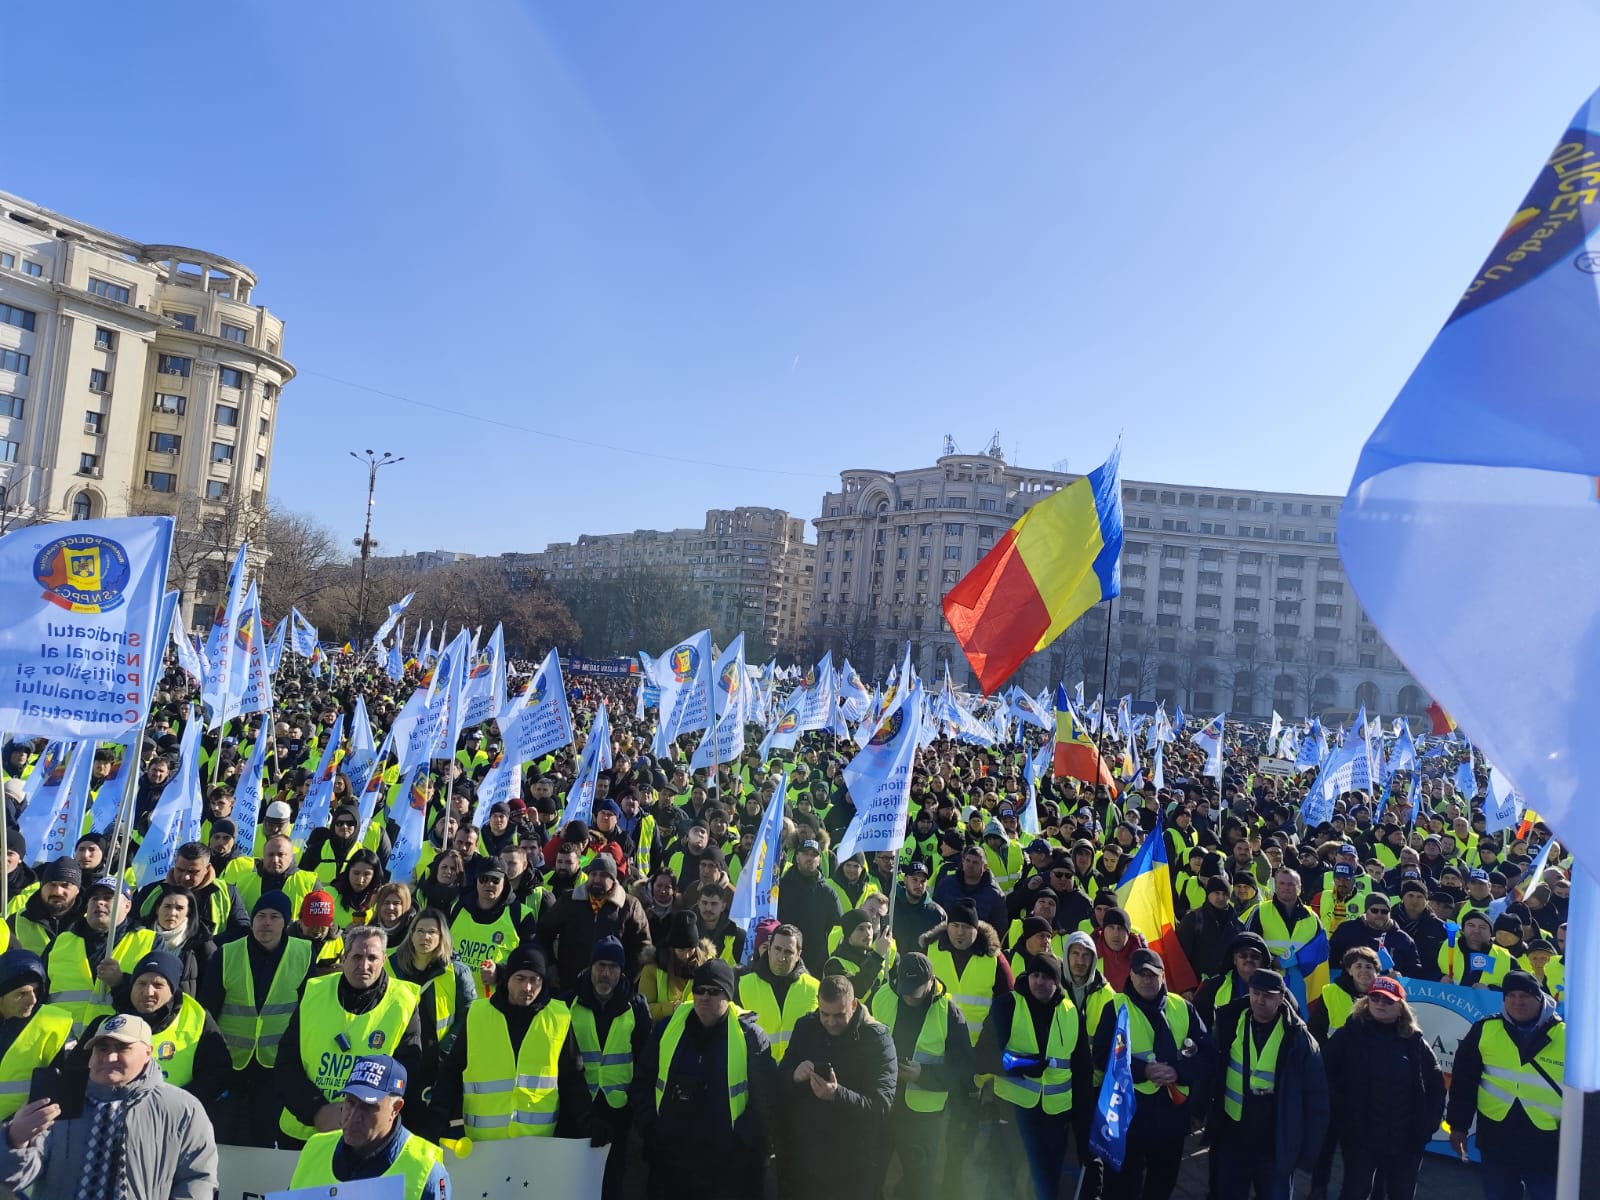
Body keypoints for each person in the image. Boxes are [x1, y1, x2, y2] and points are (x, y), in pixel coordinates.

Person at [0, 1012, 217, 1199]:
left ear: (148, 1053)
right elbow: (14, 1179)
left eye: (122, 1048)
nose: (110, 1057)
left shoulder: (181, 1108)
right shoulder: (58, 1098)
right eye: (101, 1048)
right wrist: (16, 1140)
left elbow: (198, 1178)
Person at [632, 959, 776, 1200]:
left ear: (728, 996)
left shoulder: (750, 1037)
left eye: (713, 991)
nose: (704, 997)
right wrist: (650, 1127)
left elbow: (766, 1100)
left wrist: (740, 1140)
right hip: (671, 1160)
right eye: (699, 990)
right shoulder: (667, 1030)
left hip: (725, 1165)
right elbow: (642, 1082)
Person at [275, 924, 424, 1146]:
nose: (364, 965)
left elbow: (406, 1075)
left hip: (368, 1135)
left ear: (384, 959)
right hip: (305, 1129)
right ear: (344, 958)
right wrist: (318, 1111)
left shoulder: (403, 1002)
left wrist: (359, 1114)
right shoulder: (314, 992)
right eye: (356, 957)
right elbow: (287, 1062)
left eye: (372, 958)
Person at [435, 942, 591, 1139]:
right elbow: (453, 1070)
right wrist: (439, 1113)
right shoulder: (478, 1014)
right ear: (507, 978)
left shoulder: (559, 1017)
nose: (527, 987)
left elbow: (572, 1077)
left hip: (537, 1142)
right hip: (483, 1144)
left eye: (535, 980)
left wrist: (587, 1118)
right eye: (520, 978)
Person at [1094, 949, 1216, 1200]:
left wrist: (1177, 1071)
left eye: (1153, 975)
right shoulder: (1115, 1007)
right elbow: (1100, 1056)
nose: (1147, 980)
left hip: (1171, 1115)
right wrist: (1143, 1070)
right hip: (1129, 1115)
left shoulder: (1182, 1007)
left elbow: (1208, 1055)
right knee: (1122, 1187)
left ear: (1163, 977)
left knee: (1163, 1183)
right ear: (1131, 976)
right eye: (1141, 974)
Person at [199, 891, 313, 1146]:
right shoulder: (226, 953)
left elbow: (307, 1012)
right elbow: (208, 1010)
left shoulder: (304, 953)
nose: (266, 922)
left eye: (274, 917)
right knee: (225, 1134)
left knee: (265, 1135)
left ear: (286, 922)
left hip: (275, 1064)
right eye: (260, 916)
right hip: (231, 1063)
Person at [1206, 968, 1328, 1200]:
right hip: (1234, 1133)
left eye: (1269, 995)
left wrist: (1307, 1152)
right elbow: (1212, 1071)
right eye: (1256, 993)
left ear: (1281, 998)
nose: (1260, 1000)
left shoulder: (1299, 1038)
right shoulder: (1230, 1022)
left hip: (1275, 1138)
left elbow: (1317, 1098)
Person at [1321, 977, 1444, 1200]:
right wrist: (1344, 1115)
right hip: (1361, 1137)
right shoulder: (1348, 1034)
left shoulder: (1415, 1041)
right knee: (1355, 1191)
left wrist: (1427, 1126)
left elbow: (1436, 1086)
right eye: (1375, 997)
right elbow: (1324, 1077)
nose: (1380, 1003)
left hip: (1405, 1139)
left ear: (1400, 1007)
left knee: (1401, 1194)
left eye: (1388, 1000)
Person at [1445, 970, 1564, 1200]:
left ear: (1539, 998)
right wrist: (1458, 1126)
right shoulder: (1485, 1029)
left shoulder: (1566, 1036)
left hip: (1548, 1141)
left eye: (1525, 996)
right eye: (1511, 995)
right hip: (1497, 1136)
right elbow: (1464, 1081)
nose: (1518, 1002)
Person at [780, 973, 897, 1200]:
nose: (831, 1022)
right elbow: (779, 1083)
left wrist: (837, 1095)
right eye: (824, 1014)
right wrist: (794, 1076)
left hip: (854, 1165)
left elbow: (881, 1106)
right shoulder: (806, 1028)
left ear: (853, 1005)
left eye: (839, 1015)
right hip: (807, 1161)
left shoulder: (877, 1039)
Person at [869, 950, 972, 1200]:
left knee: (920, 1184)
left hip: (922, 1118)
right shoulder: (883, 996)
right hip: (881, 1105)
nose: (909, 997)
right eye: (904, 989)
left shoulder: (949, 1012)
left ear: (932, 982)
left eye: (915, 991)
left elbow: (964, 1068)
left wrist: (923, 1075)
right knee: (869, 1178)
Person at [72, 950, 232, 1107]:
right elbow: (74, 1073)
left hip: (173, 1115)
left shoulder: (198, 1020)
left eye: (158, 985)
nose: (148, 992)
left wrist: (173, 1104)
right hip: (110, 1114)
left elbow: (217, 1076)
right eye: (141, 983)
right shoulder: (106, 1024)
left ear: (172, 990)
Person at [981, 951, 1079, 1200]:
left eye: (1046, 977)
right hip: (1014, 1109)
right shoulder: (1007, 1004)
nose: (1039, 982)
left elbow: (1080, 1066)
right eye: (1035, 975)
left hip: (1055, 1113)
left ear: (1057, 982)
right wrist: (1021, 1065)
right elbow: (983, 1054)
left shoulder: (1070, 1011)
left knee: (1048, 1180)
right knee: (1005, 1176)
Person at [288, 1054, 450, 1200]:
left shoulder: (426, 1171)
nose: (353, 1116)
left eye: (368, 1106)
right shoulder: (315, 1148)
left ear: (396, 1108)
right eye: (350, 1102)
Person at [566, 936, 652, 1200]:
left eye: (613, 967)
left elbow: (645, 1059)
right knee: (577, 1180)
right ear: (590, 967)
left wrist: (636, 1106)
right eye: (601, 965)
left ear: (621, 971)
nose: (606, 973)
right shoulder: (568, 1002)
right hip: (580, 1106)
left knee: (614, 1180)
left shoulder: (635, 1006)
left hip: (619, 1108)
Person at [386, 906, 475, 1132]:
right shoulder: (390, 966)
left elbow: (468, 1016)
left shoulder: (457, 972)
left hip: (439, 1065)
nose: (425, 937)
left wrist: (445, 1051)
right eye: (420, 931)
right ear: (411, 933)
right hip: (398, 1061)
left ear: (442, 936)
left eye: (432, 932)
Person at [42, 874, 155, 1032]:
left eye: (108, 897)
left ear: (127, 906)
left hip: (115, 1044)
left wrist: (121, 982)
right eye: (94, 898)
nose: (99, 902)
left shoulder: (150, 942)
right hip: (60, 1044)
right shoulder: (61, 942)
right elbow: (39, 994)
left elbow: (157, 1003)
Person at [537, 851, 653, 988]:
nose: (597, 879)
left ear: (613, 879)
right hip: (571, 984)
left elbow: (644, 947)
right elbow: (543, 931)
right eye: (593, 874)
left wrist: (627, 978)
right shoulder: (569, 900)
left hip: (612, 988)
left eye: (603, 875)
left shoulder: (629, 905)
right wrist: (550, 966)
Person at [922, 897, 1011, 1047]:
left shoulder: (994, 959)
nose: (960, 932)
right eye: (955, 925)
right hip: (935, 1044)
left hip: (978, 1047)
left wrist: (990, 1041)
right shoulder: (929, 951)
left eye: (966, 927)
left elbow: (1008, 1005)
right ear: (947, 926)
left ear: (976, 930)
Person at [0, 949, 74, 1119]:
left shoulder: (55, 1025)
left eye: (36, 990)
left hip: (30, 1134)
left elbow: (69, 1091)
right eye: (21, 994)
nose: (32, 999)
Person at [738, 921, 820, 1063]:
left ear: (798, 954)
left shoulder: (815, 988)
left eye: (788, 952)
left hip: (798, 1075)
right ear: (769, 949)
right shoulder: (742, 985)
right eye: (777, 949)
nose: (781, 957)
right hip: (757, 1073)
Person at [777, 839, 844, 968]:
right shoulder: (781, 887)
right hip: (783, 958)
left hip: (816, 963)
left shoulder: (827, 893)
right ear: (797, 857)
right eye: (805, 853)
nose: (809, 858)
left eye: (814, 855)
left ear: (819, 860)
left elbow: (838, 929)